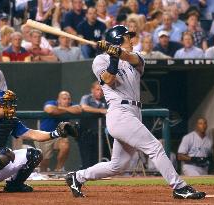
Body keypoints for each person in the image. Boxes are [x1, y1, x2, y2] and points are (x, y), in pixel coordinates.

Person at [65, 25, 206, 199]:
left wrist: (115, 52)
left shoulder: (136, 57)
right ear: (117, 39)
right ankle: (179, 187)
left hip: (134, 112)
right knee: (155, 147)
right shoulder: (100, 60)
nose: (132, 40)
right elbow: (109, 80)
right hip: (119, 112)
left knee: (118, 166)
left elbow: (130, 57)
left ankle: (77, 177)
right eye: (127, 37)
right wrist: (112, 57)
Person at [0, 89, 77, 192]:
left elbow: (33, 134)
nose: (10, 107)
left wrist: (56, 133)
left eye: (10, 104)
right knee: (4, 154)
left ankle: (15, 185)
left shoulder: (10, 121)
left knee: (34, 154)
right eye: (6, 104)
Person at [36, 91, 82, 172]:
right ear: (58, 100)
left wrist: (60, 109)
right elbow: (50, 110)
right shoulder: (51, 102)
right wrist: (67, 110)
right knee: (44, 161)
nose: (67, 101)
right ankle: (43, 174)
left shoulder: (71, 104)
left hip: (59, 135)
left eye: (68, 99)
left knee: (65, 144)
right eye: (64, 99)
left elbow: (79, 109)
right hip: (45, 135)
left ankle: (58, 169)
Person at [78, 81, 107, 169]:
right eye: (97, 89)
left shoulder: (106, 100)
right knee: (86, 160)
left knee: (97, 159)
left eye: (102, 90)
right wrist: (100, 111)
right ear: (92, 90)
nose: (100, 92)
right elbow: (84, 107)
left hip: (100, 134)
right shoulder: (86, 98)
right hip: (85, 133)